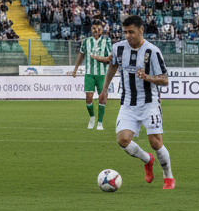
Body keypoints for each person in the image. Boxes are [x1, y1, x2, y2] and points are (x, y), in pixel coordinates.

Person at [97, 15, 175, 189]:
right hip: (128, 102)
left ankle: (168, 175)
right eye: (125, 32)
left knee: (155, 142)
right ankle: (147, 159)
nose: (128, 36)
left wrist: (148, 77)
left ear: (141, 30)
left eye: (131, 32)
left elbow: (164, 80)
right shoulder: (118, 48)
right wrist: (104, 89)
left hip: (149, 103)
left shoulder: (152, 51)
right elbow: (113, 66)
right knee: (123, 140)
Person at [70, 20, 112, 129]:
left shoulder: (107, 41)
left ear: (102, 30)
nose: (96, 30)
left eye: (98, 28)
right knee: (88, 98)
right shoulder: (86, 41)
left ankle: (100, 122)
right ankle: (92, 117)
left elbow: (109, 59)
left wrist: (99, 58)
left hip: (102, 74)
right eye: (94, 28)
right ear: (91, 29)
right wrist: (75, 69)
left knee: (102, 98)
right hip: (89, 74)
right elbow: (81, 55)